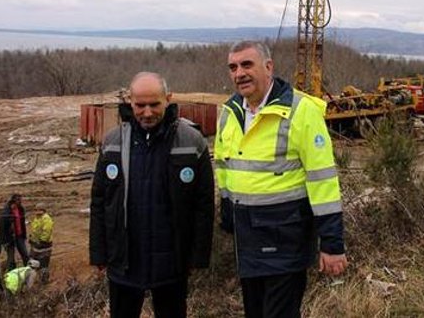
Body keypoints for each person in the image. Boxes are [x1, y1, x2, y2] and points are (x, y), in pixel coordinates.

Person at [214, 41, 348, 318]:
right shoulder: (230, 113)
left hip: (286, 236)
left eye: (247, 64)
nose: (239, 73)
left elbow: (322, 180)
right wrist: (228, 212)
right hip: (247, 237)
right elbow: (224, 167)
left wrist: (332, 243)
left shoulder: (300, 110)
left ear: (269, 67)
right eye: (233, 67)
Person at [90, 72, 214, 318]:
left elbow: (204, 204)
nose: (147, 112)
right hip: (124, 262)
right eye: (140, 105)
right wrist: (99, 252)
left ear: (168, 99)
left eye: (154, 104)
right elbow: (100, 200)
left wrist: (197, 256)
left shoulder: (191, 141)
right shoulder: (113, 142)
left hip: (172, 264)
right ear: (130, 101)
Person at [0, 194, 29, 271]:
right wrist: (4, 241)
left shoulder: (21, 209)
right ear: (14, 201)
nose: (20, 202)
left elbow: (22, 224)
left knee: (25, 255)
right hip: (9, 238)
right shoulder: (6, 212)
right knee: (11, 258)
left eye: (20, 200)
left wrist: (24, 235)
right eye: (19, 200)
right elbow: (1, 228)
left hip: (19, 236)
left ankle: (28, 271)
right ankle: (12, 276)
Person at [29, 202, 53, 284]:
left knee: (43, 263)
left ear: (43, 210)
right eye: (36, 210)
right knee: (34, 262)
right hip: (35, 245)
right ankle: (35, 279)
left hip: (44, 245)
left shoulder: (46, 219)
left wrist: (42, 241)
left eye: (39, 210)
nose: (37, 211)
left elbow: (47, 231)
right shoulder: (36, 218)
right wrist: (32, 239)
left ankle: (44, 280)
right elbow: (34, 230)